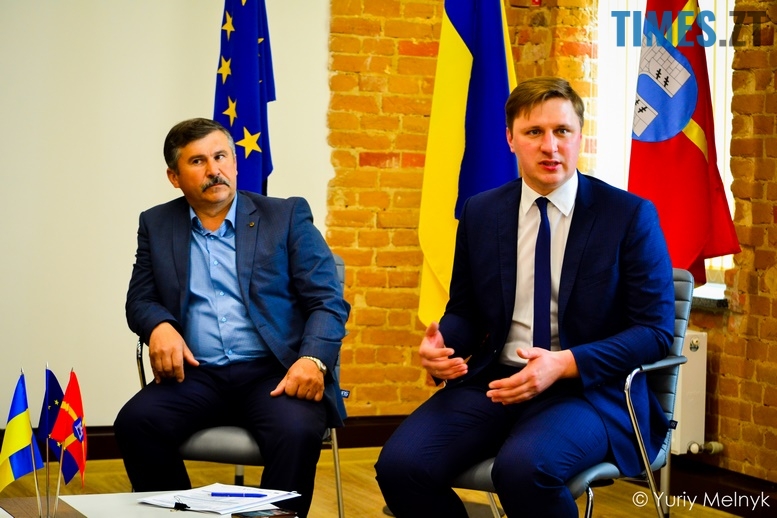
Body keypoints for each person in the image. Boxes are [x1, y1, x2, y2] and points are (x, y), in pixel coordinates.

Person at [375, 77, 675, 517]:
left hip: (587, 391)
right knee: (400, 468)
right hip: (498, 381)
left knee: (522, 469)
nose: (550, 146)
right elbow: (465, 310)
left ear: (580, 136)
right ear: (510, 139)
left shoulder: (628, 216)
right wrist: (445, 346)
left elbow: (654, 332)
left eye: (562, 131)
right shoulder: (481, 212)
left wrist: (564, 363)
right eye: (534, 132)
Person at [114, 118, 350, 518]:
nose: (214, 170)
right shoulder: (157, 224)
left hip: (274, 372)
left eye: (221, 156)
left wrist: (312, 359)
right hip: (197, 374)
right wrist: (158, 325)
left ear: (235, 163)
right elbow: (140, 298)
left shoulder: (285, 216)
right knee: (136, 423)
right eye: (197, 161)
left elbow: (328, 301)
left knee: (295, 432)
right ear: (174, 177)